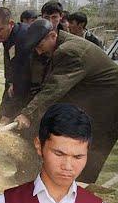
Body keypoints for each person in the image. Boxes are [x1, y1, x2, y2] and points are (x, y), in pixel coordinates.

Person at [13, 18, 118, 183]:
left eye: (40, 47)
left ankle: (77, 192)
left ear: (52, 35)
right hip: (92, 100)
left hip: (108, 109)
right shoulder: (62, 46)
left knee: (86, 150)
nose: (39, 52)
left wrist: (27, 114)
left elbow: (54, 88)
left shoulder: (70, 52)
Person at [0, 7, 32, 124]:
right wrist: (10, 81)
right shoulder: (8, 37)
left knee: (12, 122)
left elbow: (24, 80)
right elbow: (9, 63)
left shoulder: (23, 38)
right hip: (16, 82)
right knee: (2, 119)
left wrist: (8, 114)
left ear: (10, 23)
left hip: (29, 87)